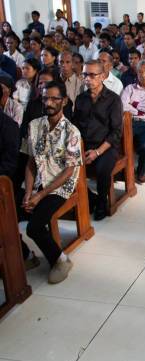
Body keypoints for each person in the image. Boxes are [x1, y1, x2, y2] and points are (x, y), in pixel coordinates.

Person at [22, 81, 81, 283]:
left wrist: (40, 195)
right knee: (7, 211)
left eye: (55, 98)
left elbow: (69, 170)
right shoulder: (34, 126)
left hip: (60, 187)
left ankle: (61, 260)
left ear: (64, 101)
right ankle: (25, 255)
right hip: (38, 182)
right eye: (46, 97)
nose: (49, 102)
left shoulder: (72, 132)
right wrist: (28, 192)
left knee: (33, 227)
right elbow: (31, 162)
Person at [73, 60, 122, 221]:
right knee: (65, 166)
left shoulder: (113, 100)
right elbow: (75, 126)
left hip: (106, 146)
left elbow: (116, 132)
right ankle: (91, 199)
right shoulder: (81, 99)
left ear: (102, 76)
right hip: (84, 144)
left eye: (92, 75)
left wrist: (97, 152)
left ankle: (101, 201)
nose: (87, 78)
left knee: (102, 169)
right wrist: (77, 147)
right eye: (85, 74)